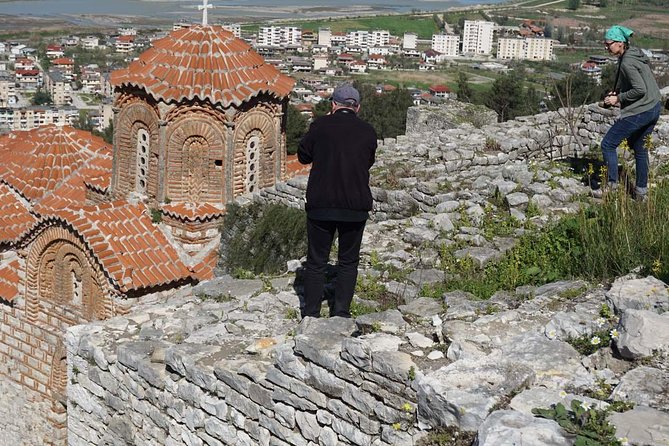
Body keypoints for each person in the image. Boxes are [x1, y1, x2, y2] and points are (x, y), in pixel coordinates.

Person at [297, 84, 377, 318]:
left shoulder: (320, 126)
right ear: (357, 108)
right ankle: (341, 312)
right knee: (348, 261)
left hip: (321, 205)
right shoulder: (368, 131)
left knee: (316, 261)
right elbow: (367, 161)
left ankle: (310, 314)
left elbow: (303, 156)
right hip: (355, 205)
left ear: (333, 105)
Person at [601, 25, 661, 200]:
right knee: (640, 148)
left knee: (608, 145)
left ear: (620, 43)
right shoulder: (634, 54)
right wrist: (618, 91)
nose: (606, 47)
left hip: (641, 109)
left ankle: (611, 187)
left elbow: (639, 89)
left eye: (609, 44)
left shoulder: (627, 61)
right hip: (654, 107)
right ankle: (641, 193)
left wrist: (617, 99)